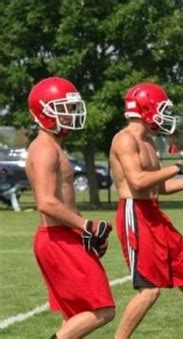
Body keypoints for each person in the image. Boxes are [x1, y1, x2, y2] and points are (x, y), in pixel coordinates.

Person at [109, 82, 183, 339]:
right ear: (146, 108)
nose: (164, 115)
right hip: (135, 214)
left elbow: (158, 187)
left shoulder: (147, 141)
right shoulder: (125, 139)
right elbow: (137, 182)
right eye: (160, 109)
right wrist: (177, 167)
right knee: (149, 290)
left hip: (154, 213)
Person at [26, 77, 115, 338]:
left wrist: (85, 232)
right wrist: (85, 225)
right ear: (45, 111)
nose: (71, 114)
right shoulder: (44, 149)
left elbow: (63, 201)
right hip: (56, 239)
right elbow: (46, 202)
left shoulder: (53, 147)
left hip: (65, 236)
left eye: (72, 108)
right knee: (103, 310)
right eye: (64, 108)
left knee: (76, 315)